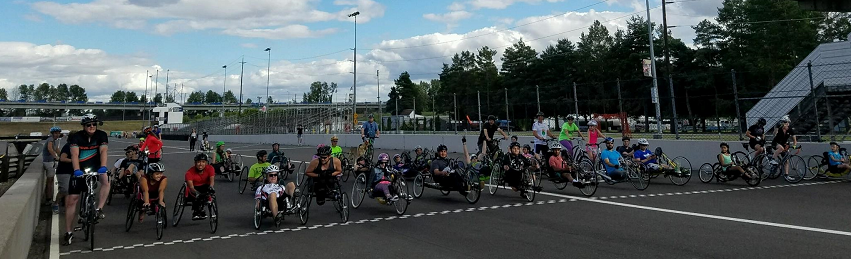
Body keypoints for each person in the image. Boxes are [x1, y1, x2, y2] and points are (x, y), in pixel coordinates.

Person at [64, 115, 110, 245]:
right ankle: (68, 232)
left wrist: (103, 167)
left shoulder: (101, 135)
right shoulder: (76, 137)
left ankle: (99, 209)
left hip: (96, 167)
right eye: (89, 125)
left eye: (94, 124)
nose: (92, 127)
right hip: (80, 169)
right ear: (84, 126)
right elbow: (74, 154)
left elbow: (103, 152)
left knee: (106, 181)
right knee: (72, 200)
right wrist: (77, 170)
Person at [185, 153, 215, 220]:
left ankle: (203, 207)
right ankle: (196, 211)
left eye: (203, 162)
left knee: (209, 192)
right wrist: (196, 192)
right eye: (198, 162)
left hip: (205, 186)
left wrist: (211, 186)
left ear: (206, 163)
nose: (201, 164)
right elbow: (191, 187)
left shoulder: (210, 168)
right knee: (197, 197)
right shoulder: (189, 173)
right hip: (194, 188)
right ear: (195, 163)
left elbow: (212, 180)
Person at [43, 126, 62, 210]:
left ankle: (49, 197)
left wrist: (63, 155)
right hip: (48, 161)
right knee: (50, 180)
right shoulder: (50, 140)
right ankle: (48, 199)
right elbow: (50, 149)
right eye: (55, 133)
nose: (57, 135)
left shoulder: (54, 141)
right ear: (52, 133)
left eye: (58, 133)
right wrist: (56, 157)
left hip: (51, 161)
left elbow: (57, 149)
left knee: (51, 180)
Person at [55, 142, 72, 215]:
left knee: (71, 191)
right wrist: (74, 160)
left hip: (73, 171)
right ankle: (56, 204)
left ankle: (67, 207)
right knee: (64, 190)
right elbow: (62, 158)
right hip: (63, 171)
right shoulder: (67, 146)